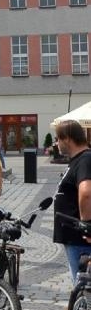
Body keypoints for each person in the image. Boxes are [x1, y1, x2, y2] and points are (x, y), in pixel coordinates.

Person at [52, 120, 91, 281]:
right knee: (80, 286)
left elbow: (86, 192)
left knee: (84, 288)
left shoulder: (85, 159)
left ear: (67, 138)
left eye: (57, 139)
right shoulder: (79, 159)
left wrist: (86, 224)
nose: (56, 143)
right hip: (74, 236)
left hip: (79, 237)